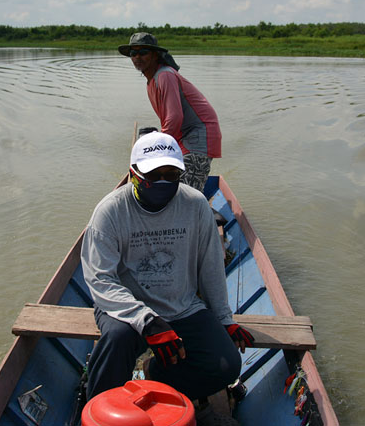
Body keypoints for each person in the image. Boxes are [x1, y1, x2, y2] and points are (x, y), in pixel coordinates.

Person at [80, 131, 253, 420]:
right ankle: (98, 410)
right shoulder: (110, 212)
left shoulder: (195, 205)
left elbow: (210, 267)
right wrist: (146, 321)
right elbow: (100, 280)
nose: (162, 181)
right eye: (153, 174)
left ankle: (154, 381)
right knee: (117, 339)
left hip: (181, 305)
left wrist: (225, 319)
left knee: (226, 366)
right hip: (126, 309)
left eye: (171, 174)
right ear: (133, 174)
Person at [119, 32, 221, 192]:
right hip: (183, 137)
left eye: (143, 52)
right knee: (166, 184)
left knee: (186, 193)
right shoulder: (152, 81)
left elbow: (174, 118)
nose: (137, 57)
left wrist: (158, 149)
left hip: (198, 136)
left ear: (154, 55)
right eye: (133, 53)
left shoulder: (164, 75)